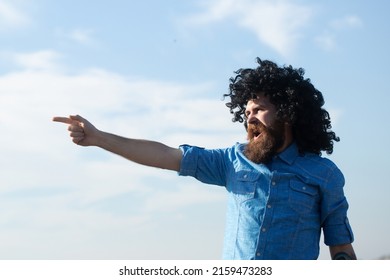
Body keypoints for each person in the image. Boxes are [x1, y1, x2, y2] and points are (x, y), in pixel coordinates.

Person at [53, 58, 356, 260]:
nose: (250, 118)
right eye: (246, 112)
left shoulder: (324, 174)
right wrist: (99, 138)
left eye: (259, 110)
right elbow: (165, 155)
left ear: (287, 114)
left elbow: (340, 246)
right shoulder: (232, 161)